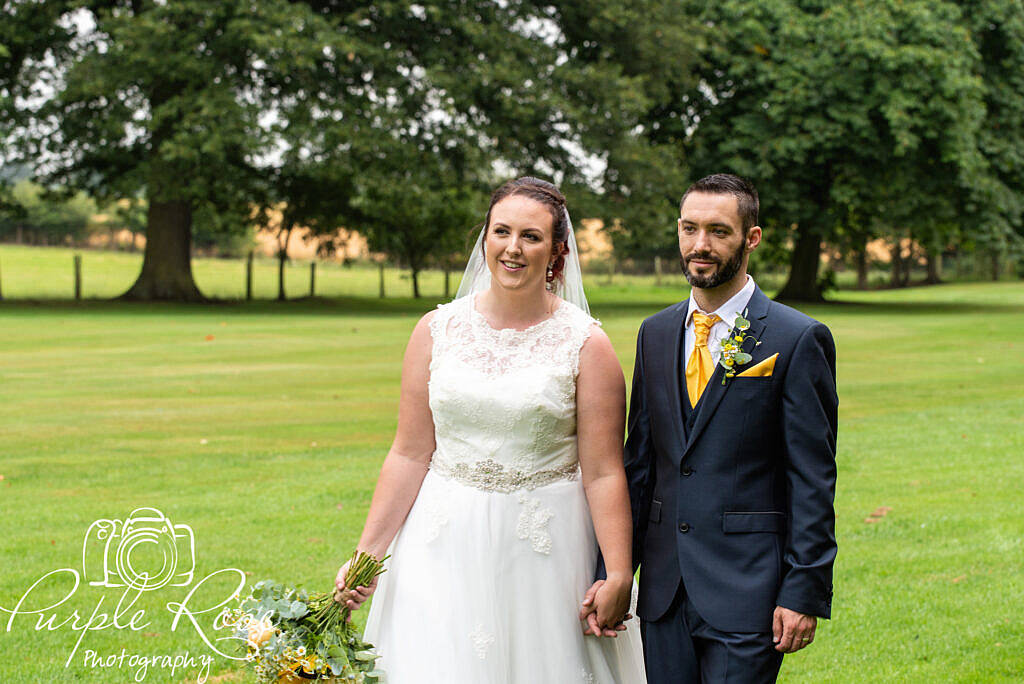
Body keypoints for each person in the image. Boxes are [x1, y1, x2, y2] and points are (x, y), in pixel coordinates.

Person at [333, 177, 646, 683]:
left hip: (544, 547)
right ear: (485, 240)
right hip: (439, 540)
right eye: (501, 232)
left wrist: (616, 573)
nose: (513, 248)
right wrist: (367, 554)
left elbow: (605, 472)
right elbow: (410, 453)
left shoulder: (587, 345)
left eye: (531, 236)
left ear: (556, 251)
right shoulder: (436, 330)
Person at [624, 174, 838, 683]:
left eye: (718, 231)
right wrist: (613, 572)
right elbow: (640, 465)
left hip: (749, 590)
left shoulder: (797, 337)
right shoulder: (654, 334)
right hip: (663, 589)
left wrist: (802, 590)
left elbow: (812, 478)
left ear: (752, 238)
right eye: (689, 229)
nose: (700, 245)